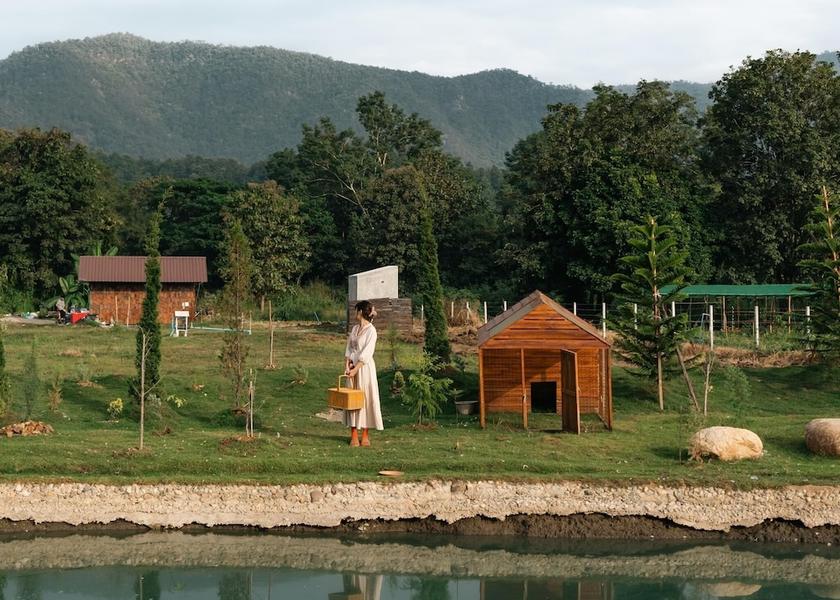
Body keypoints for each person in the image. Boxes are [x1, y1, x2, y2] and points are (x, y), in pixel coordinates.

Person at [343, 300, 383, 446]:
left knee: (365, 398)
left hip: (364, 368)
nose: (355, 314)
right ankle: (353, 433)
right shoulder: (354, 329)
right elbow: (349, 348)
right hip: (352, 367)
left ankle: (365, 433)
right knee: (352, 399)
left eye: (356, 311)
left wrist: (356, 368)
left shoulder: (371, 331)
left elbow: (367, 352)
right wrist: (347, 366)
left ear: (360, 312)